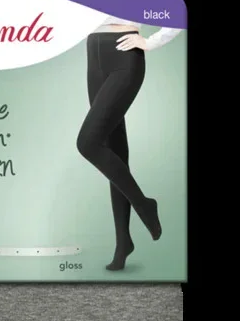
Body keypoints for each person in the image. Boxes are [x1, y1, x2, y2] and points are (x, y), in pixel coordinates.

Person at [76, 16, 182, 270]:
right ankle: (123, 242)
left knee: (88, 143)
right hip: (93, 52)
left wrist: (152, 42)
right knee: (112, 150)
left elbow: (176, 14)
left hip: (125, 53)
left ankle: (144, 204)